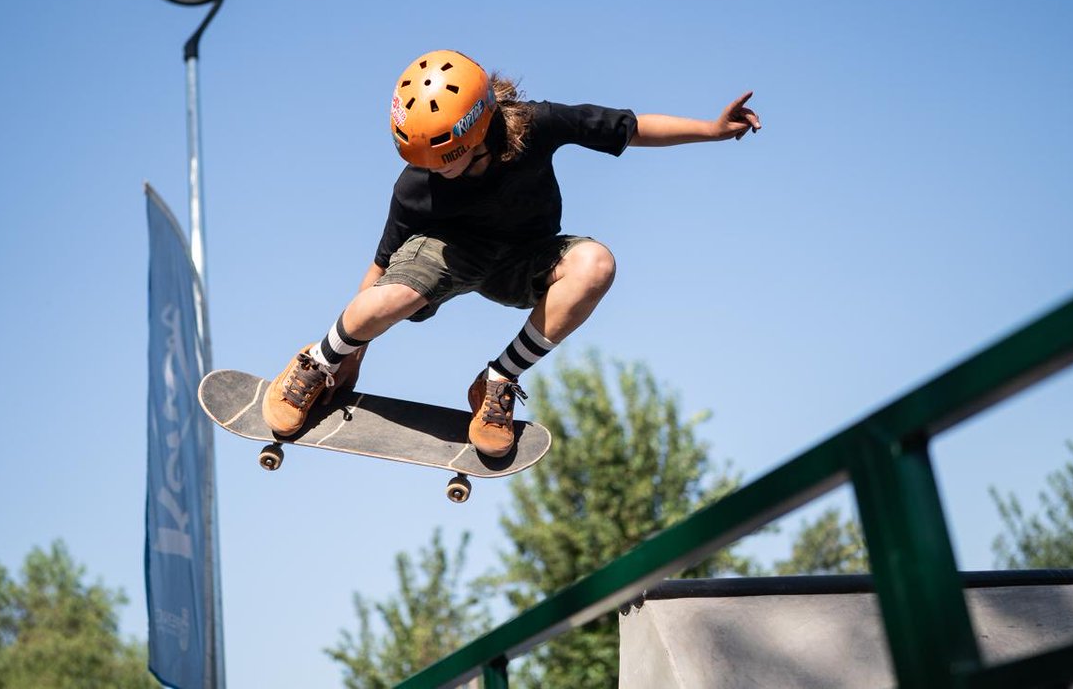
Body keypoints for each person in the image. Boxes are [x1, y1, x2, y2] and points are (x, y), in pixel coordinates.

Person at [262, 49, 761, 457]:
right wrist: (352, 351)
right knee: (384, 301)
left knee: (596, 264)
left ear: (476, 133)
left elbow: (629, 128)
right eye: (425, 163)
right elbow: (378, 268)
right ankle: (314, 363)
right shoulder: (415, 186)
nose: (436, 173)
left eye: (444, 162)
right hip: (447, 254)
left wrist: (712, 130)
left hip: (526, 258)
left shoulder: (538, 124)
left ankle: (496, 383)